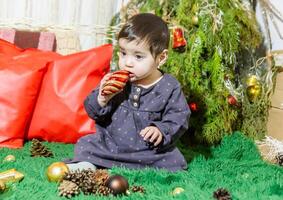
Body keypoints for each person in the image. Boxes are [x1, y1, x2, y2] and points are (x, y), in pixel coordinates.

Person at [66, 13, 191, 172]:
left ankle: (136, 166)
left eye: (138, 56)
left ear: (161, 57)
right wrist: (102, 98)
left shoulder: (169, 86)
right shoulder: (115, 80)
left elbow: (179, 116)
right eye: (124, 53)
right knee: (86, 145)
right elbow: (93, 112)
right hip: (110, 145)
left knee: (173, 161)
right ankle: (87, 165)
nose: (127, 63)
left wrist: (161, 129)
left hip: (147, 151)